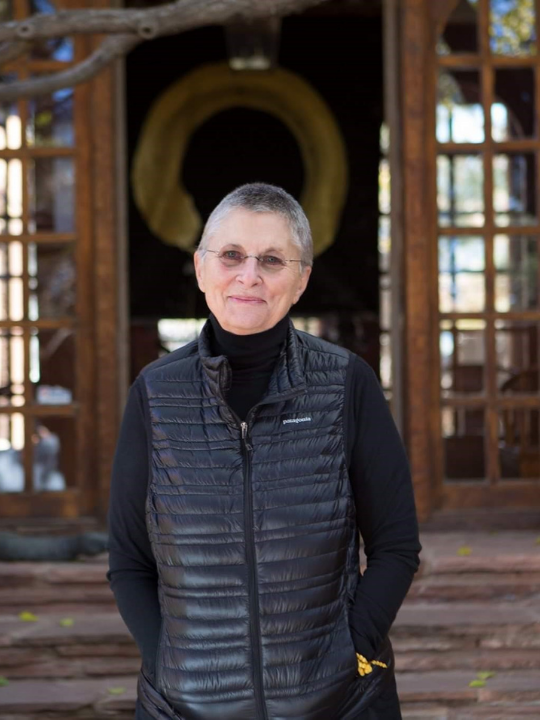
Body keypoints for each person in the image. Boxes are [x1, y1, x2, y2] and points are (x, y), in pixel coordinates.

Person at [106, 183, 422, 719]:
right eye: (231, 255)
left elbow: (396, 544)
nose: (249, 275)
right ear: (201, 267)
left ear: (300, 281)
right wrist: (170, 665)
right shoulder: (156, 394)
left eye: (272, 260)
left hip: (339, 704)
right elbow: (129, 561)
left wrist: (353, 651)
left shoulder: (346, 383)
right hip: (185, 710)